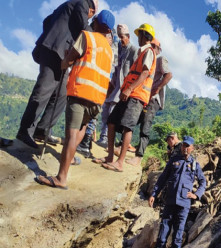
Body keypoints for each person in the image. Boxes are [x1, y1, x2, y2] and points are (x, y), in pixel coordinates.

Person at [36, 10, 115, 189]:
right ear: (109, 30)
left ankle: (61, 178)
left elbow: (68, 61)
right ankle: (69, 159)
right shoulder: (110, 51)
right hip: (97, 100)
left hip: (80, 93)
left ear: (95, 23)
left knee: (71, 134)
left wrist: (64, 60)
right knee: (80, 131)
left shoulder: (87, 37)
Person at [17, 0, 97, 149]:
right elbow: (83, 28)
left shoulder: (70, 5)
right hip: (54, 51)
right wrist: (97, 39)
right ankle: (25, 130)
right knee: (43, 91)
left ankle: (42, 130)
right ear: (91, 10)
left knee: (61, 94)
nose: (90, 17)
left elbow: (47, 20)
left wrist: (52, 34)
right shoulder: (83, 3)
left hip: (57, 53)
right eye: (91, 15)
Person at [98, 23, 157, 172]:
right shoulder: (141, 52)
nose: (138, 38)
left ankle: (119, 162)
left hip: (136, 95)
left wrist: (130, 88)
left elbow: (144, 73)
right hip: (129, 93)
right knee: (111, 121)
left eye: (139, 35)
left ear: (144, 36)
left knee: (127, 127)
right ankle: (110, 157)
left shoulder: (148, 52)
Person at [147, 135, 207, 248]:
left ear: (192, 148)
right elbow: (162, 178)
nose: (185, 148)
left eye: (188, 146)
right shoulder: (174, 161)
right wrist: (154, 193)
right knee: (162, 234)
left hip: (184, 205)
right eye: (183, 145)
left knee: (178, 236)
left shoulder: (194, 164)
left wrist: (196, 195)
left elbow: (203, 181)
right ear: (181, 147)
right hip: (170, 202)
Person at [78, 24, 138, 157]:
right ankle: (102, 137)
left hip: (124, 88)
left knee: (112, 113)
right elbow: (116, 69)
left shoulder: (134, 50)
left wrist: (130, 89)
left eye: (123, 37)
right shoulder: (119, 50)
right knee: (105, 112)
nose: (121, 40)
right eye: (119, 37)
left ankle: (107, 139)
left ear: (128, 37)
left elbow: (136, 71)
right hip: (114, 85)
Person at [126, 38, 173, 166]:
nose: (151, 48)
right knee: (131, 120)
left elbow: (168, 74)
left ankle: (139, 156)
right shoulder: (147, 59)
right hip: (143, 96)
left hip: (152, 99)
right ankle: (123, 146)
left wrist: (157, 89)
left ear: (158, 50)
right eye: (150, 45)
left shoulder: (160, 59)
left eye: (154, 46)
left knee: (145, 125)